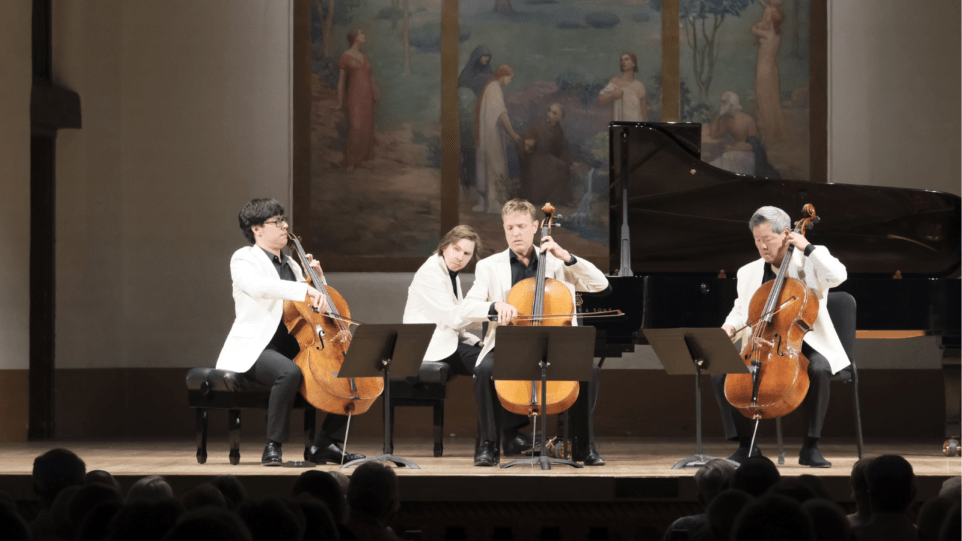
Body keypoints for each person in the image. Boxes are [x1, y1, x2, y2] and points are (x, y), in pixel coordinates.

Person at [458, 199, 610, 466]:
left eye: (521, 226)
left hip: (556, 347)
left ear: (536, 226)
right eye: (509, 227)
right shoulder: (489, 266)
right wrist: (495, 306)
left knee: (590, 370)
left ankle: (584, 447)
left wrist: (568, 257)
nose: (515, 233)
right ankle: (489, 446)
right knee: (483, 371)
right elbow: (466, 309)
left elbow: (601, 285)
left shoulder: (557, 262)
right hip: (510, 347)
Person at [215, 198, 365, 466]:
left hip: (293, 345)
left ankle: (325, 444)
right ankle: (273, 445)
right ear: (257, 229)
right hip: (257, 347)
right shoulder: (244, 258)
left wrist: (318, 280)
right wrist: (304, 288)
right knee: (289, 372)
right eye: (277, 221)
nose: (285, 226)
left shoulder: (294, 266)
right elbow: (260, 287)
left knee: (346, 370)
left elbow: (311, 308)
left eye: (284, 220)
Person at [711, 206, 849, 468]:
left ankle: (811, 446)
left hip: (807, 340)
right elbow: (742, 309)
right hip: (763, 341)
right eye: (757, 241)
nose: (762, 247)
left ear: (786, 234)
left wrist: (807, 247)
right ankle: (747, 446)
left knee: (819, 369)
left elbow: (839, 276)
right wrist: (729, 328)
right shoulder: (747, 271)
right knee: (721, 371)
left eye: (768, 240)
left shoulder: (811, 261)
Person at [474, 64, 522, 213]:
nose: (510, 80)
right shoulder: (494, 88)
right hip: (491, 134)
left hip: (488, 133)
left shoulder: (490, 87)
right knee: (495, 166)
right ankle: (494, 204)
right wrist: (513, 133)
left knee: (488, 166)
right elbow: (502, 113)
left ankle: (485, 203)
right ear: (502, 76)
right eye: (510, 77)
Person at [707, 91, 780, 178]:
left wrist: (732, 148)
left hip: (747, 154)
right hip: (735, 152)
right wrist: (718, 116)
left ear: (731, 104)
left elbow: (753, 144)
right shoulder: (727, 121)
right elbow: (713, 135)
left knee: (727, 162)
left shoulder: (747, 119)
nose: (720, 104)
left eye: (723, 102)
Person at [517, 103, 575, 207]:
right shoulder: (537, 124)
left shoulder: (558, 128)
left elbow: (562, 147)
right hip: (535, 157)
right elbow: (524, 139)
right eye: (549, 110)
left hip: (547, 157)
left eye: (554, 113)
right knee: (553, 166)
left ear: (559, 117)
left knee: (563, 166)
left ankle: (557, 199)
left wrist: (570, 160)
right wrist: (528, 145)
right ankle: (539, 198)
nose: (549, 114)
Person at [338, 29, 378, 171]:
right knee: (356, 126)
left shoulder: (364, 57)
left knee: (366, 126)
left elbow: (370, 77)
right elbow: (341, 81)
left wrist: (375, 93)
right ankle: (350, 161)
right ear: (355, 38)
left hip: (367, 96)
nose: (364, 35)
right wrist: (339, 100)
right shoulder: (345, 56)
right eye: (362, 34)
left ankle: (360, 159)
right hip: (354, 95)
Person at [598, 52, 647, 122]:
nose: (623, 62)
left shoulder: (639, 85)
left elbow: (644, 111)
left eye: (627, 59)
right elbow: (601, 99)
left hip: (636, 126)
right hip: (621, 126)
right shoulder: (615, 81)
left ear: (634, 63)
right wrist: (614, 95)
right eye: (621, 60)